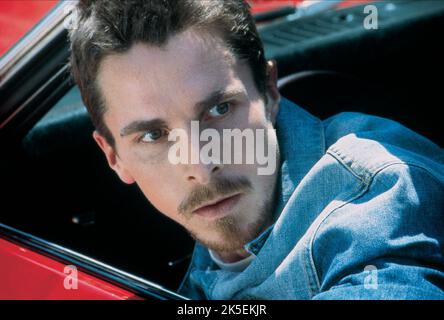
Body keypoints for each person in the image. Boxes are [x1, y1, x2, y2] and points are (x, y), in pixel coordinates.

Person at [69, 0, 444, 299]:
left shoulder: (379, 195)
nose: (200, 165)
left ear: (269, 91)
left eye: (219, 110)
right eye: (152, 135)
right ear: (113, 155)